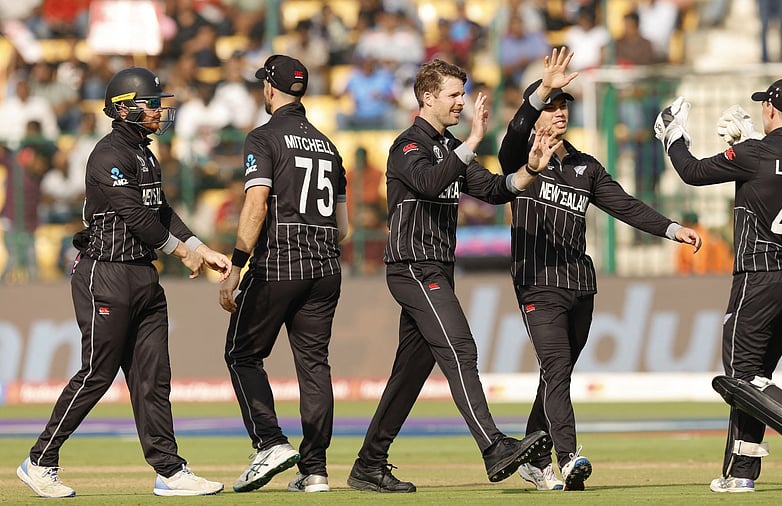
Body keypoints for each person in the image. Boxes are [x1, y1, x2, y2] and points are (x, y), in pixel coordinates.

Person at [16, 66, 230, 498]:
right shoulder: (107, 155)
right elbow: (134, 215)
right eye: (151, 104)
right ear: (124, 108)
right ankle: (39, 461)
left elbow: (161, 209)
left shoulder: (145, 153)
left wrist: (200, 246)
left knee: (153, 377)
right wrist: (179, 251)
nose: (158, 111)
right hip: (105, 273)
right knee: (98, 372)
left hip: (142, 275)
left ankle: (169, 471)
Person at [348, 58, 557, 493]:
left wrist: (531, 169)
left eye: (462, 94)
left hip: (435, 268)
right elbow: (427, 182)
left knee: (409, 373)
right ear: (427, 98)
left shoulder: (451, 149)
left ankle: (369, 464)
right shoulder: (408, 146)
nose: (462, 102)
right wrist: (474, 141)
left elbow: (496, 191)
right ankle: (493, 446)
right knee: (461, 347)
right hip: (413, 267)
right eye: (454, 95)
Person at [497, 47, 702, 492]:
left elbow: (624, 205)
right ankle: (568, 458)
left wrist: (672, 229)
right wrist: (543, 89)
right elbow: (514, 132)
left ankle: (531, 455)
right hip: (537, 283)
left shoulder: (585, 166)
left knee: (559, 372)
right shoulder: (519, 160)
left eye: (562, 106)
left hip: (579, 286)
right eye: (550, 106)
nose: (559, 113)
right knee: (555, 367)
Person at [654, 77, 782, 493]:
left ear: (772, 110)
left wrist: (673, 135)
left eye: (763, 107)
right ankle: (740, 472)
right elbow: (779, 168)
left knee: (740, 376)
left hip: (759, 274)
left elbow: (692, 171)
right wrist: (752, 139)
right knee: (757, 377)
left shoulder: (756, 152)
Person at [219, 54, 349, 495]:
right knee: (314, 366)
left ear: (270, 89)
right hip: (326, 265)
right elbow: (344, 228)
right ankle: (315, 470)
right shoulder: (329, 146)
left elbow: (256, 204)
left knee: (241, 354)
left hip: (280, 261)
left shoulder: (263, 137)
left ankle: (270, 442)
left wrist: (236, 265)